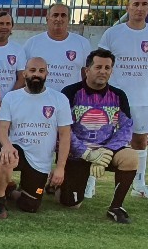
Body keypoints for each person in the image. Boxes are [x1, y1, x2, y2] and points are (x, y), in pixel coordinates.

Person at [96, 0, 148, 200]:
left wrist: (141, 82)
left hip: (141, 97)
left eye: (144, 4)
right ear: (127, 7)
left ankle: (140, 185)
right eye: (135, 4)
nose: (139, 8)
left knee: (140, 140)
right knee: (99, 137)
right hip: (113, 98)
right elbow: (101, 61)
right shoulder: (113, 33)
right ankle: (89, 183)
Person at [59, 49, 139, 223]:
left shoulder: (119, 95)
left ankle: (116, 207)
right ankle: (57, 185)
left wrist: (107, 151)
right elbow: (64, 130)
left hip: (106, 151)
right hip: (78, 153)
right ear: (87, 70)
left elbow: (126, 128)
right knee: (71, 204)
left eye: (107, 68)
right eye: (98, 67)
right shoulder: (70, 92)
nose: (103, 71)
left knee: (131, 157)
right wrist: (87, 153)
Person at [0, 57, 72, 218]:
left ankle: (11, 191)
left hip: (40, 160)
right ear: (25, 73)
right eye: (32, 70)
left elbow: (64, 135)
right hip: (17, 149)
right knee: (6, 158)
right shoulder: (11, 97)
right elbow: (2, 127)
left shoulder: (59, 99)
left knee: (30, 206)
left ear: (46, 74)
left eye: (41, 71)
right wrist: (6, 145)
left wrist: (60, 168)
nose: (37, 74)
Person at [21, 3, 90, 92]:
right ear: (47, 18)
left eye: (63, 15)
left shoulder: (82, 43)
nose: (59, 19)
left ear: (68, 19)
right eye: (55, 15)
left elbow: (87, 74)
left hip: (71, 98)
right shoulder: (32, 43)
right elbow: (23, 74)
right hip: (40, 97)